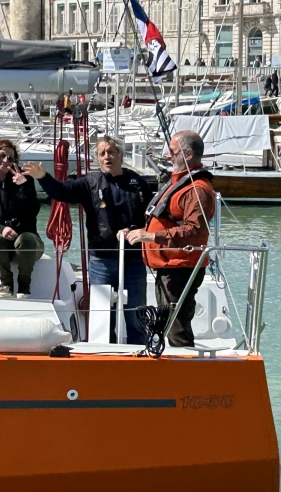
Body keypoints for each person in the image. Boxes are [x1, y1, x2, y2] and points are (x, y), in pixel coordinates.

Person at [23, 137, 153, 345]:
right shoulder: (90, 183)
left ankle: (139, 353)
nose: (107, 157)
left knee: (136, 315)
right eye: (102, 153)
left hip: (133, 260)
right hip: (101, 261)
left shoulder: (138, 183)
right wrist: (43, 178)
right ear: (98, 159)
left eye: (111, 152)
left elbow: (151, 218)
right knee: (103, 318)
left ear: (120, 155)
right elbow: (62, 191)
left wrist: (137, 230)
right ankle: (106, 356)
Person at [126, 130, 215, 348]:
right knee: (169, 323)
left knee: (177, 327)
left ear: (187, 154)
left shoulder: (197, 189)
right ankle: (177, 361)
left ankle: (184, 365)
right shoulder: (181, 184)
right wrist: (137, 231)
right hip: (169, 267)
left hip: (181, 268)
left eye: (173, 152)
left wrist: (151, 236)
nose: (168, 155)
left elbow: (194, 231)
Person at [0, 140, 43, 299]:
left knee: (26, 239)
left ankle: (24, 283)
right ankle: (6, 282)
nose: (6, 160)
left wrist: (24, 187)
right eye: (1, 156)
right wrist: (1, 229)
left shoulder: (25, 179)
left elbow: (33, 212)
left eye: (10, 158)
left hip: (25, 240)